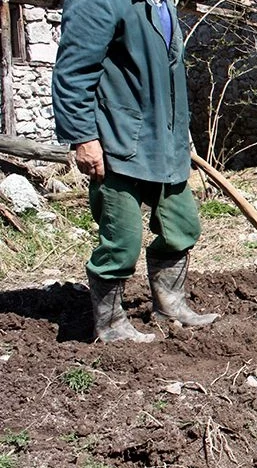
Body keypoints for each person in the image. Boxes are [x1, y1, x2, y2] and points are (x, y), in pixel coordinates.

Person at [52, 0, 218, 343]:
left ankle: (171, 305)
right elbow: (73, 73)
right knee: (121, 241)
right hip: (119, 140)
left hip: (165, 141)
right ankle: (110, 324)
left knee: (182, 226)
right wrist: (83, 137)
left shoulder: (163, 4)